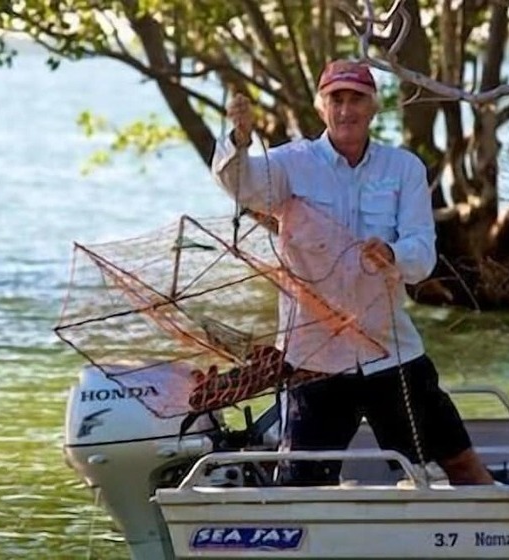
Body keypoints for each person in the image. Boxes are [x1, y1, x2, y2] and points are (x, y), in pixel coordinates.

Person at [211, 59, 493, 486]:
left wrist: (394, 254)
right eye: (336, 99)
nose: (346, 110)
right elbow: (240, 185)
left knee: (461, 465)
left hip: (390, 350)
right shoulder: (290, 163)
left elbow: (422, 256)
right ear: (321, 107)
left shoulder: (405, 169)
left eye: (356, 99)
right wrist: (239, 138)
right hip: (314, 359)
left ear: (374, 107)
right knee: (301, 486)